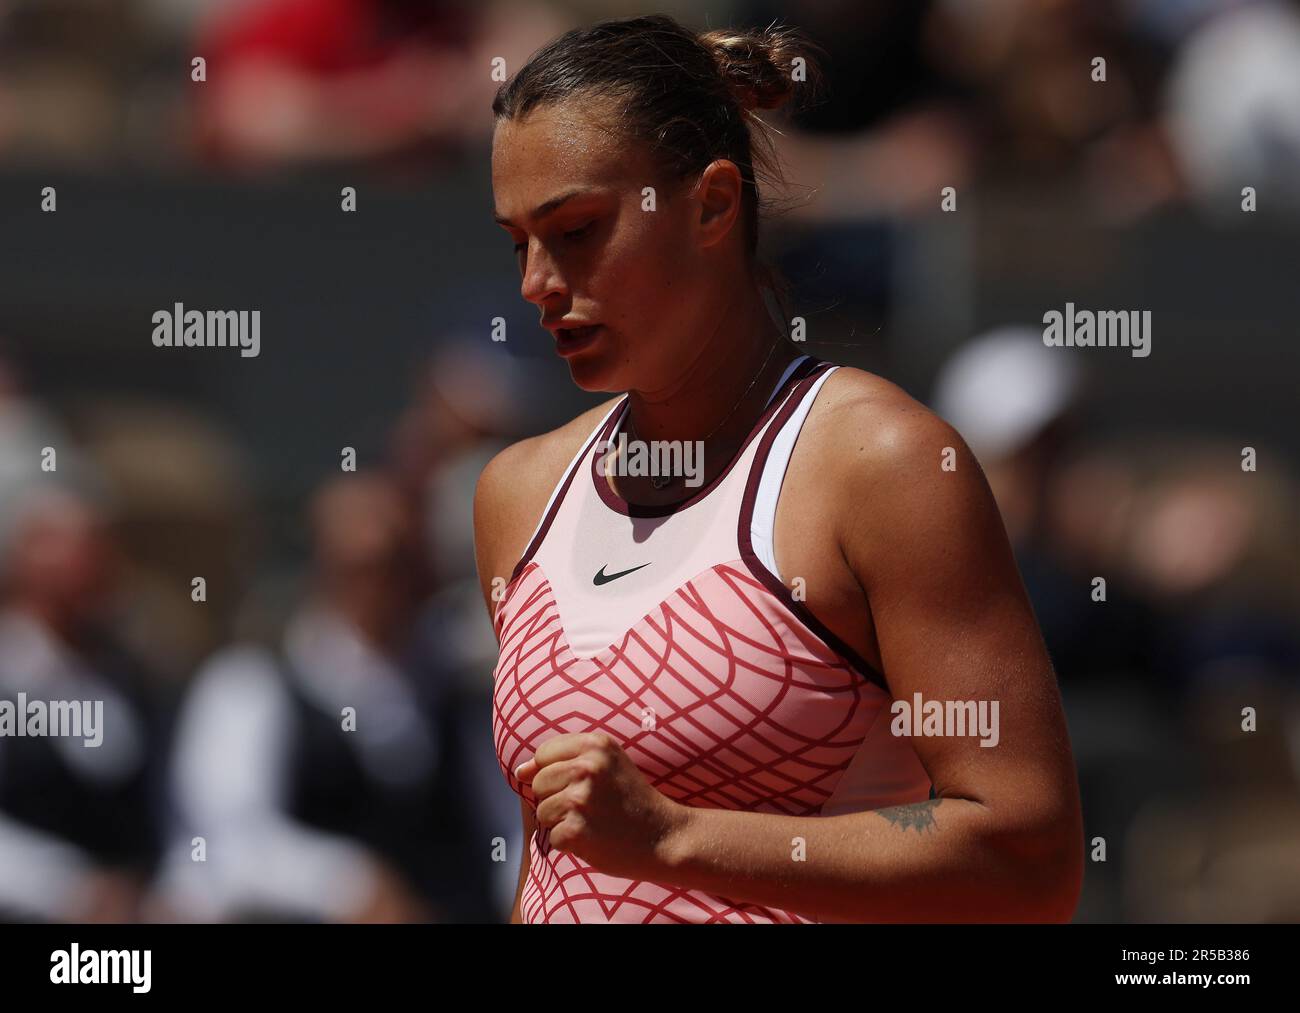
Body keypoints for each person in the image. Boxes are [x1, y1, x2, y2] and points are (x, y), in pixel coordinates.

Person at [475, 14, 1083, 923]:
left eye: (577, 230)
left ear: (715, 205)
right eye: (518, 242)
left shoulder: (884, 464)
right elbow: (557, 869)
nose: (536, 283)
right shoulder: (515, 494)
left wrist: (677, 837)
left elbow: (1027, 856)